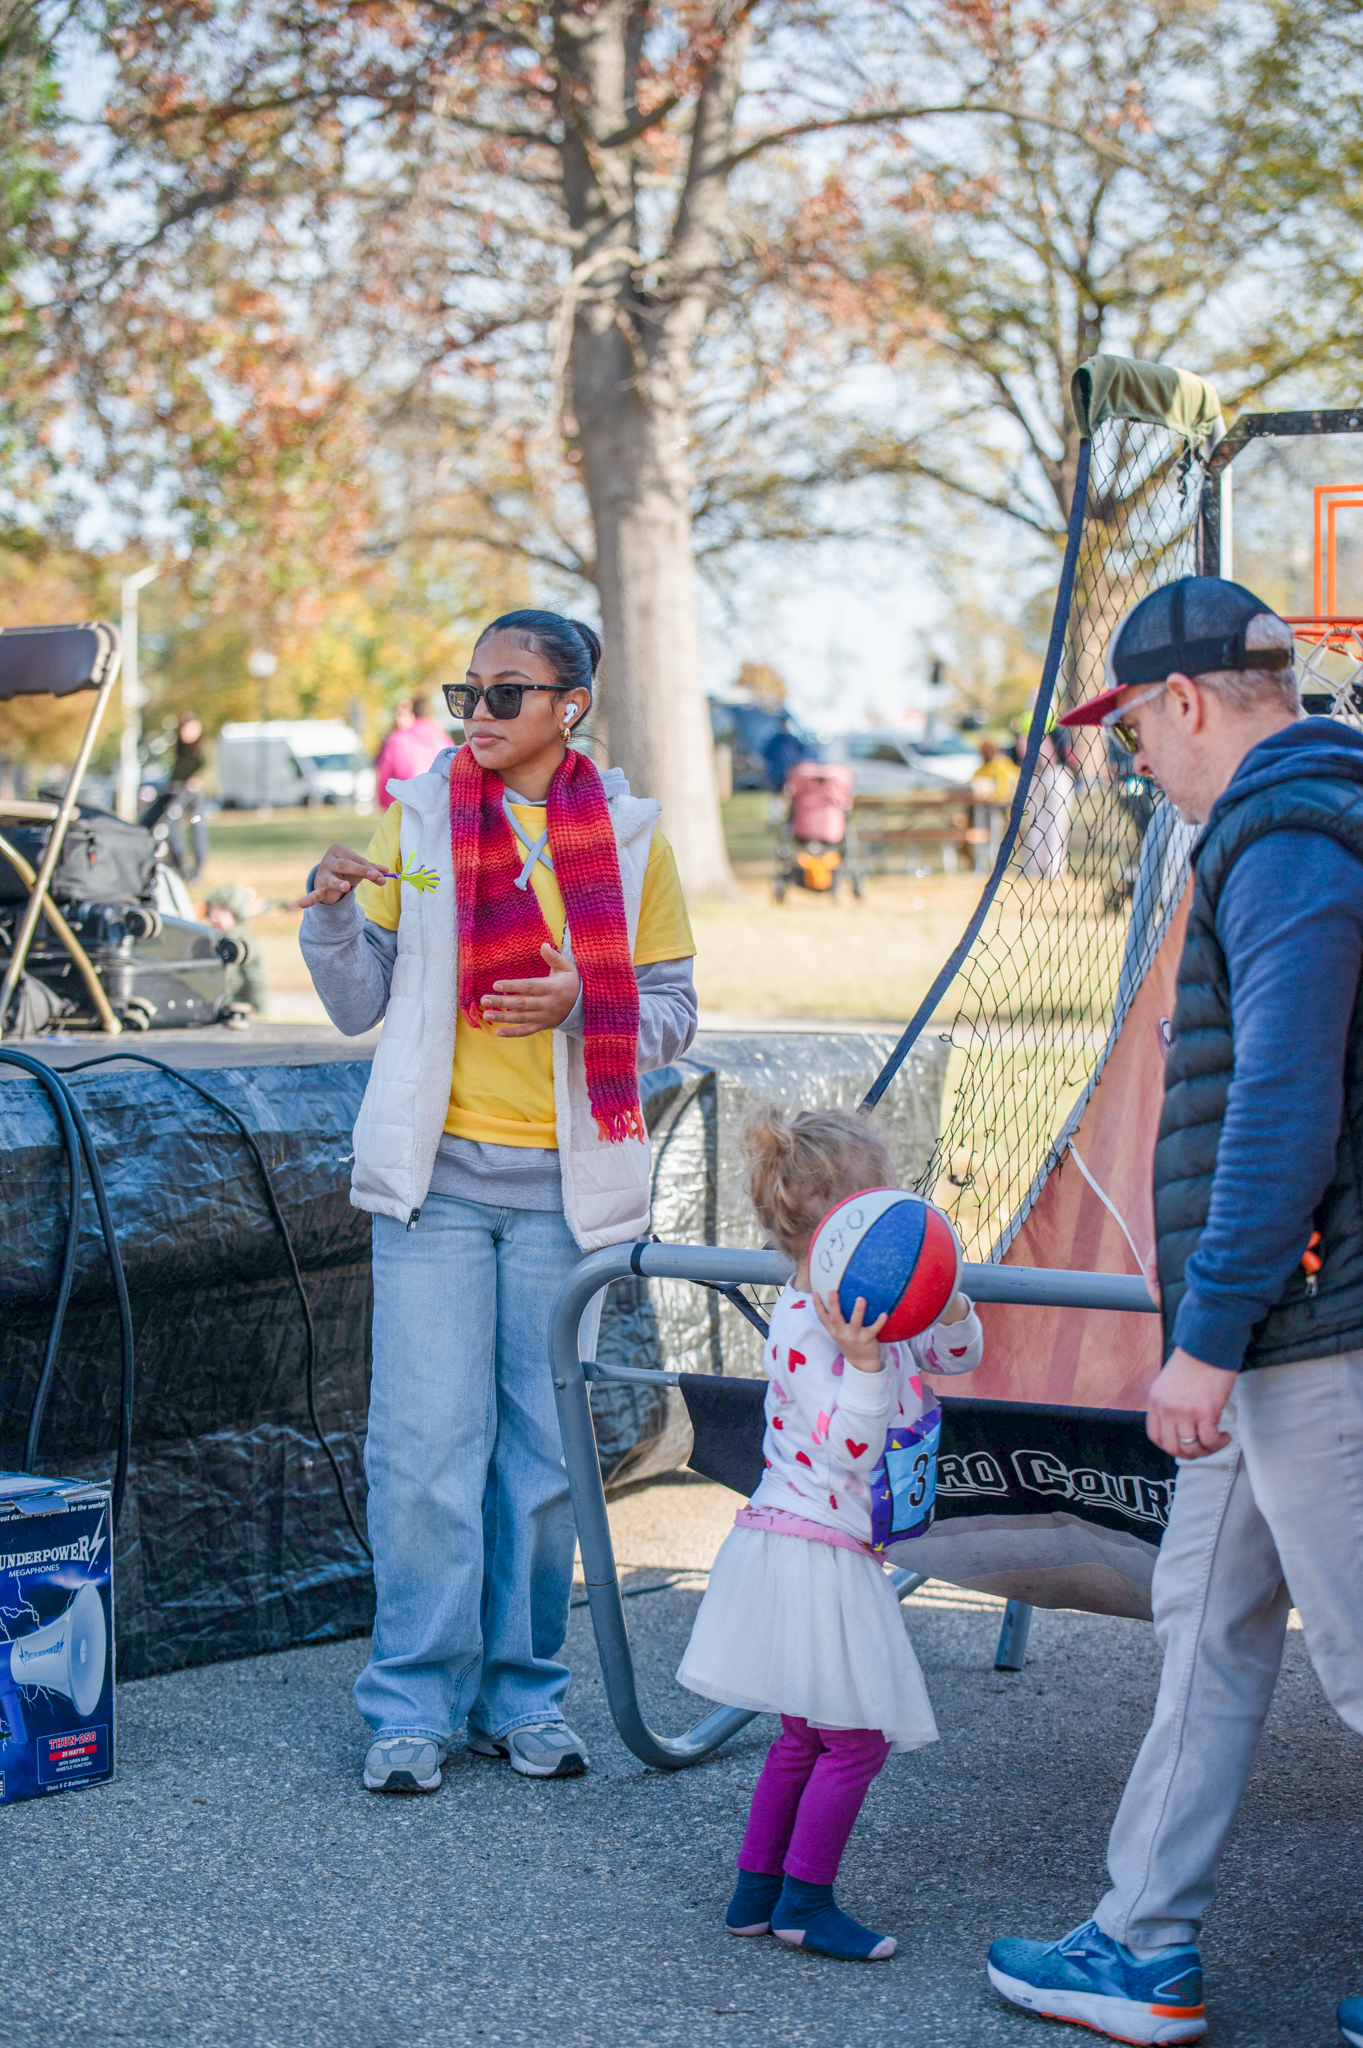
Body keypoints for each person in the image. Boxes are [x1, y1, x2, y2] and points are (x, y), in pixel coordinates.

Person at [985, 576, 1363, 2048]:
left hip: (1303, 1333)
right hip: (1279, 1325)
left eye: (1133, 726)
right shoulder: (1289, 822)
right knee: (1198, 1621)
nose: (1130, 759)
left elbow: (1281, 1105)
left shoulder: (1284, 830)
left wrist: (1203, 1337)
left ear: (1191, 701)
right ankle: (1137, 1948)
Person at [298, 610, 697, 1793]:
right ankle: (411, 1704)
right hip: (435, 1193)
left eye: (506, 694)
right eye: (466, 691)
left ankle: (522, 1697)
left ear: (571, 703)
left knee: (539, 1463)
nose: (477, 714)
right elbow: (356, 1002)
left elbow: (671, 1017)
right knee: (423, 1453)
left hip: (562, 1200)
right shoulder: (418, 817)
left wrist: (586, 999)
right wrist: (327, 913)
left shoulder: (631, 841)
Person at [677, 1105, 982, 1961]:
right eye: (883, 1197)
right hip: (813, 1548)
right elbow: (849, 1448)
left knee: (805, 1734)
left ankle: (754, 1895)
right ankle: (804, 1905)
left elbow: (958, 1358)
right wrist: (865, 1367)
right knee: (853, 1740)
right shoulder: (820, 1328)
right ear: (850, 1223)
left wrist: (948, 1306)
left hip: (814, 1542)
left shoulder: (871, 1308)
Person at [203, 884, 269, 1018]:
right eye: (212, 911)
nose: (215, 917)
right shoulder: (208, 938)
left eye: (221, 911)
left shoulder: (243, 942)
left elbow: (255, 977)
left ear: (236, 913)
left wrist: (259, 1008)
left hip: (236, 1005)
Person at [372, 693, 448, 806]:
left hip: (403, 804)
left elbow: (385, 772)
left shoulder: (398, 739)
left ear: (412, 713)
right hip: (437, 802)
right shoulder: (441, 736)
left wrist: (381, 800)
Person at [1018, 729, 1074, 880]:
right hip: (1052, 775)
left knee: (1038, 825)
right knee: (1052, 825)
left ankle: (1040, 869)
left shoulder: (1025, 725)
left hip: (1039, 777)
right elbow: (1069, 754)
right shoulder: (1056, 727)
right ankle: (1052, 870)